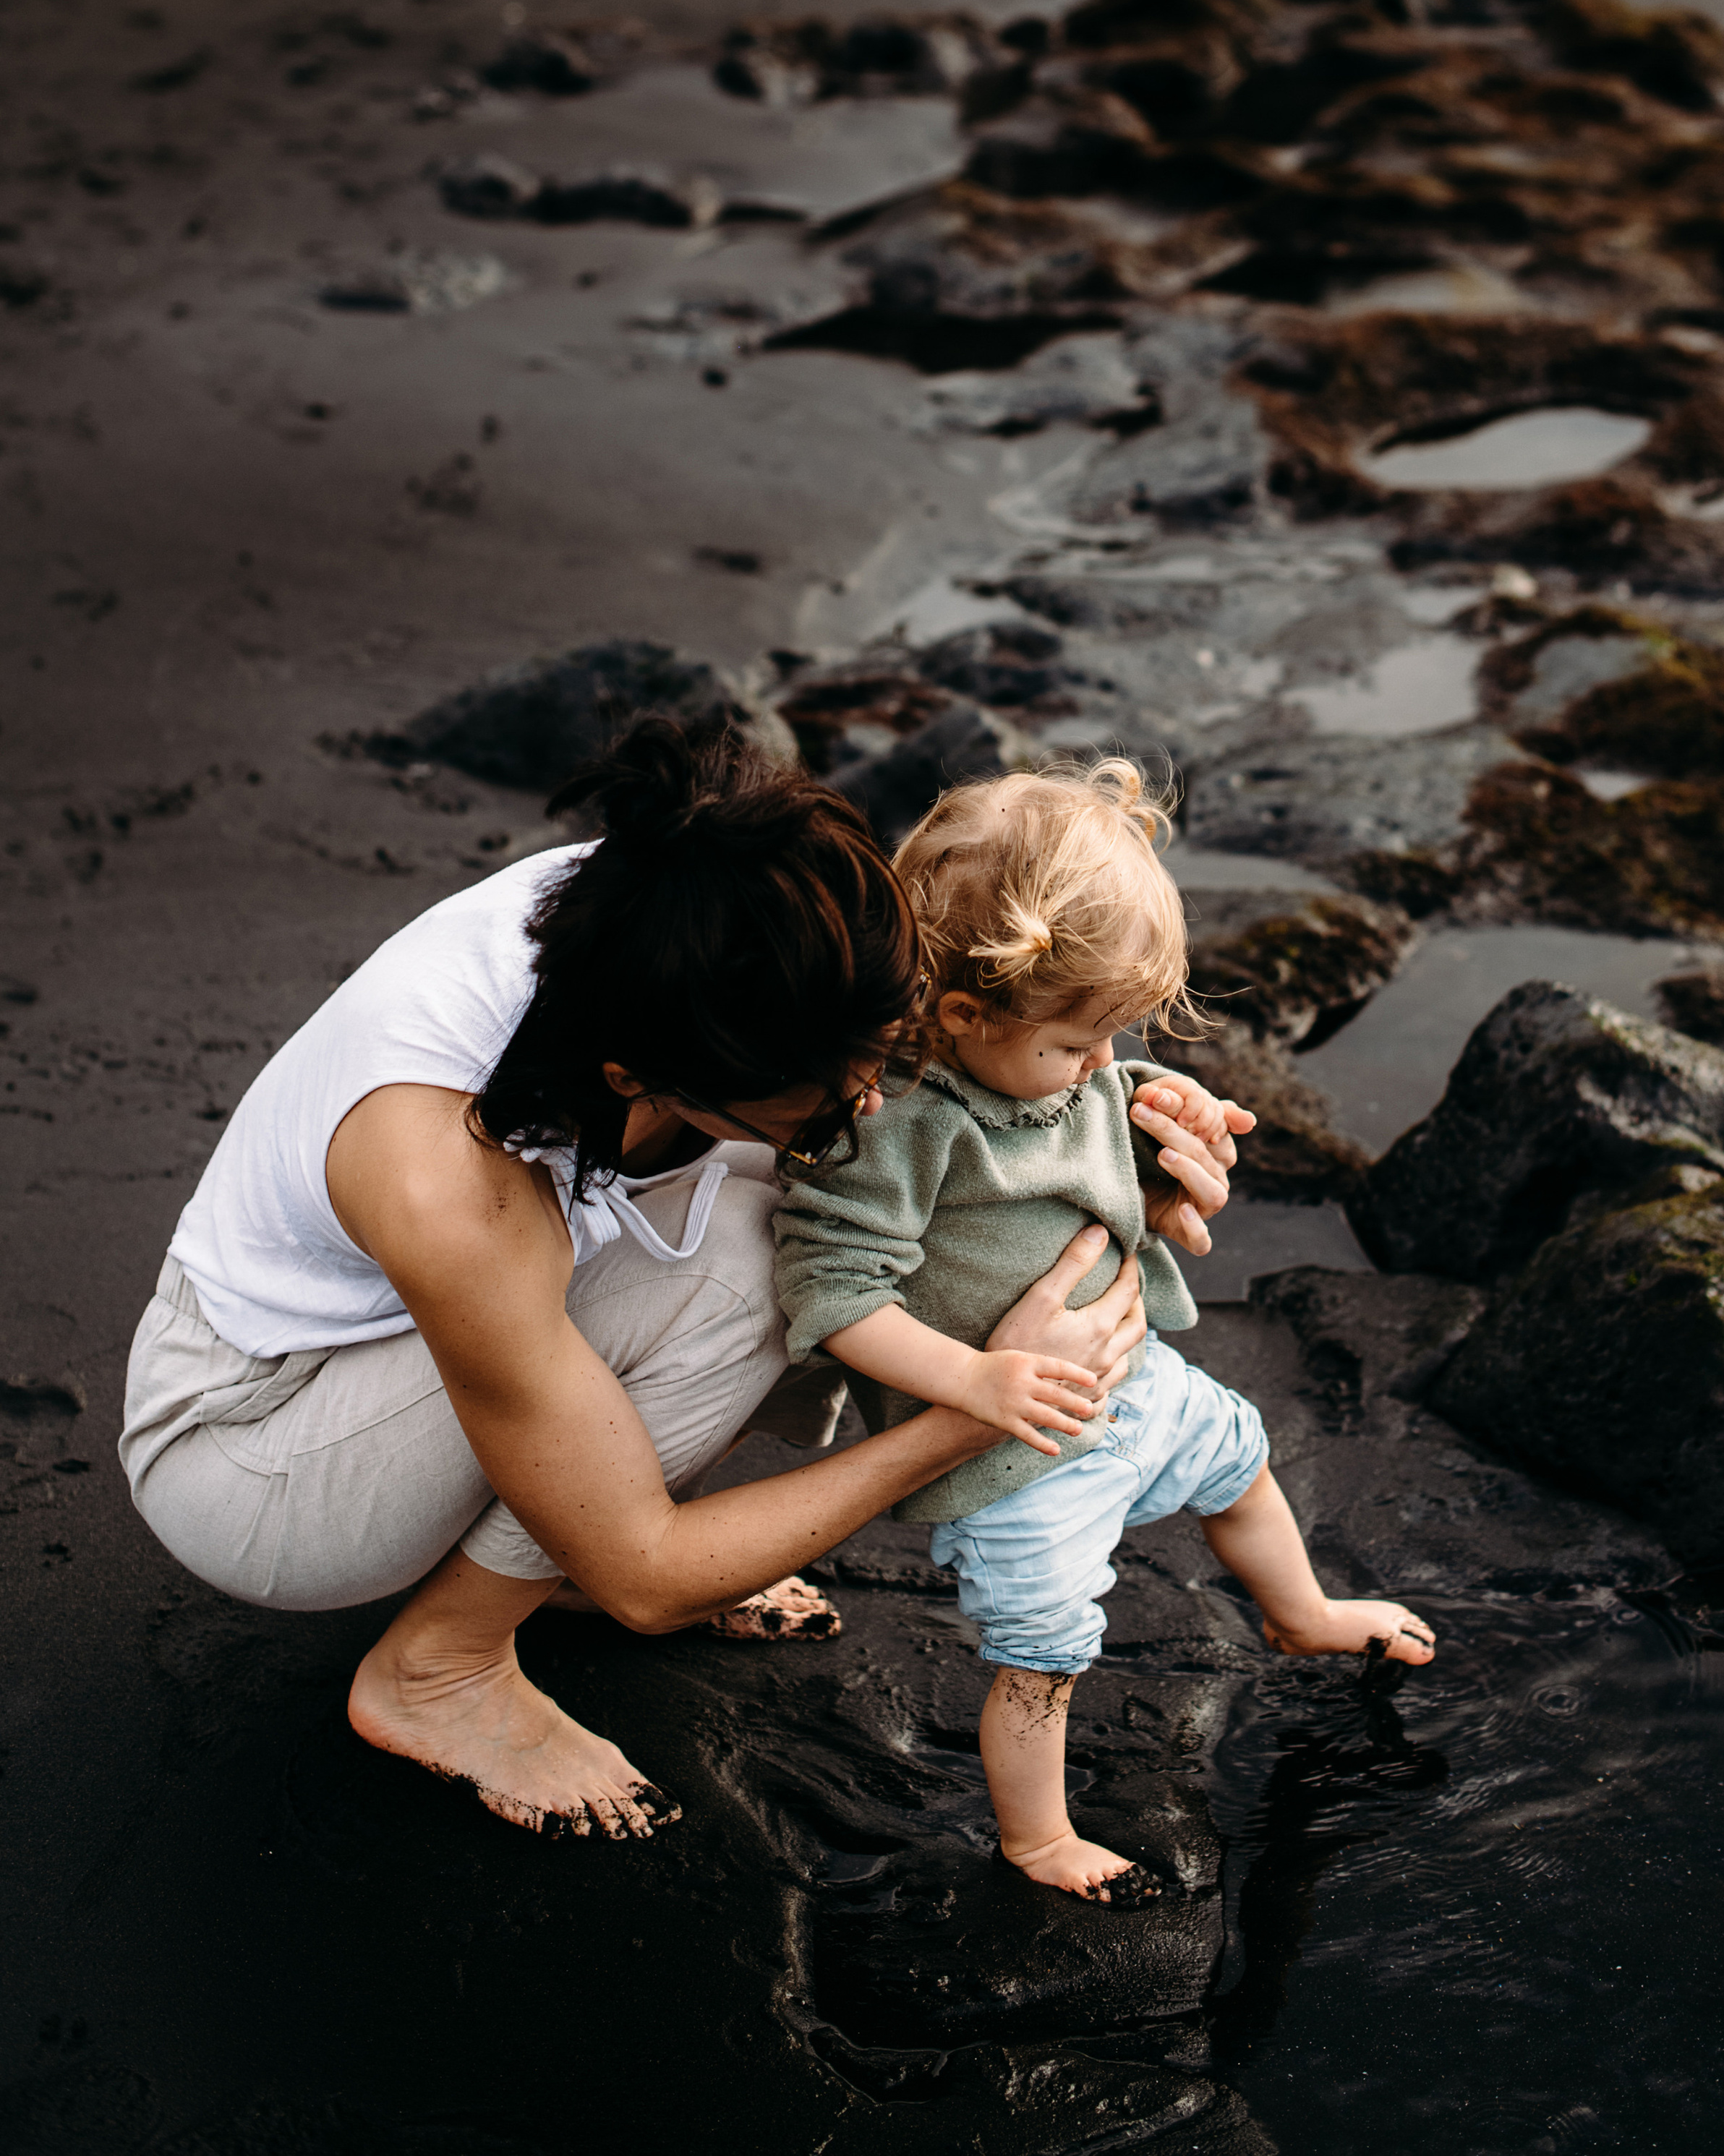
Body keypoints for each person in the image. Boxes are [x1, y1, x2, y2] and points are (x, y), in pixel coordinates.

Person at [118, 718, 1245, 1842]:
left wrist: (1123, 1145)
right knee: (764, 1258)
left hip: (427, 1350)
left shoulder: (727, 916)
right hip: (253, 1445)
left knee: (828, 1200)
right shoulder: (445, 1180)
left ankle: (550, 1536)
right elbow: (648, 1580)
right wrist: (965, 1417)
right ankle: (442, 1668)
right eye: (828, 1096)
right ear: (638, 1079)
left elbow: (956, 1074)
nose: (869, 1100)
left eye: (885, 1053)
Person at [774, 758, 1438, 1904]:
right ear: (963, 1013)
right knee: (1045, 1654)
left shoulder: (1078, 1078)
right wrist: (975, 1386)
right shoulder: (900, 1131)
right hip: (1006, 1457)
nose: (1101, 1067)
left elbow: (1122, 1171)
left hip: (1134, 1381)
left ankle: (1302, 1614)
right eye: (1078, 1043)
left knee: (1242, 1463)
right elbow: (834, 1296)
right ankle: (1036, 1837)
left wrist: (1180, 1161)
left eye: (1117, 1037)